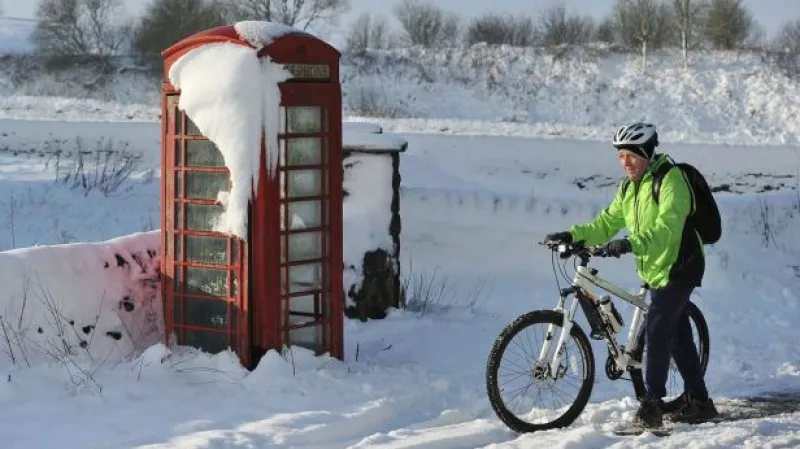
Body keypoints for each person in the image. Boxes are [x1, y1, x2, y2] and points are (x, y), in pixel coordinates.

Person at [544, 122, 719, 429]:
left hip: (681, 264)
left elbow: (667, 228)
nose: (625, 162)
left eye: (631, 155)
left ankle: (651, 405)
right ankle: (701, 402)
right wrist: (572, 235)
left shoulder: (670, 181)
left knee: (658, 328)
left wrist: (630, 243)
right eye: (620, 155)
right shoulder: (628, 188)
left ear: (648, 154)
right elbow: (606, 223)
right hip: (655, 267)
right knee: (676, 335)